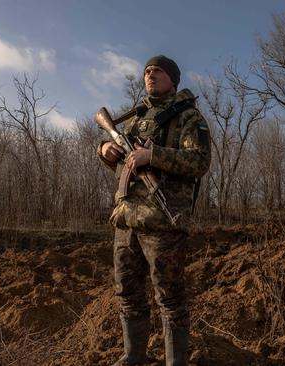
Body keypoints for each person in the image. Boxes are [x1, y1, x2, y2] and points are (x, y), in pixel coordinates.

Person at [97, 54, 211, 365]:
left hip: (163, 222)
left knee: (170, 299)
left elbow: (199, 161)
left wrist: (154, 155)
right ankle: (133, 356)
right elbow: (122, 165)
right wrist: (105, 151)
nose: (150, 75)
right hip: (126, 221)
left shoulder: (188, 118)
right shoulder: (134, 119)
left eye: (157, 71)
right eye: (147, 71)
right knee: (128, 294)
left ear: (172, 79)